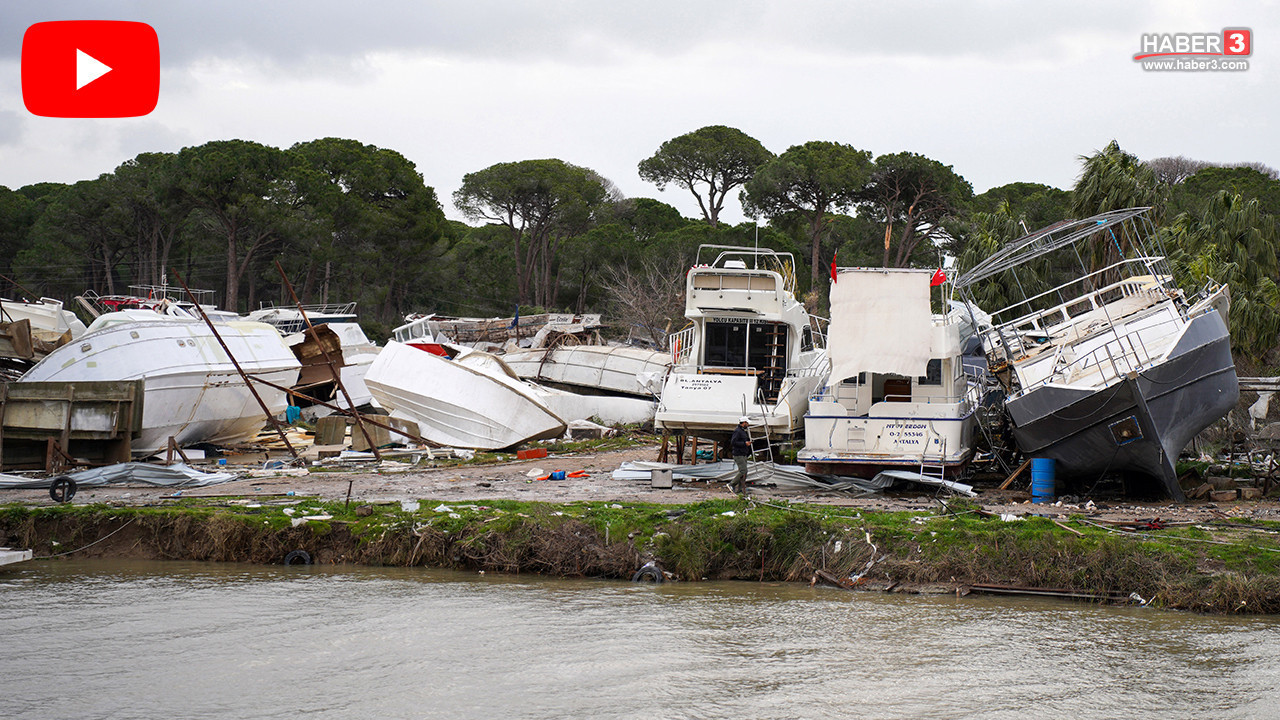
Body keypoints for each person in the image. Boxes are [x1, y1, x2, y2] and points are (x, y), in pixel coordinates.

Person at [730, 416, 751, 494]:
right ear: (744, 423)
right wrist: (744, 444)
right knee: (743, 470)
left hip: (743, 453)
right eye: (747, 423)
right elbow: (733, 442)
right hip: (738, 454)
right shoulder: (738, 431)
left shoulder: (742, 431)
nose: (748, 424)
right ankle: (731, 484)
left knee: (744, 472)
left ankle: (740, 489)